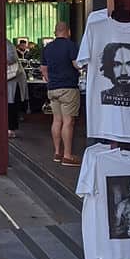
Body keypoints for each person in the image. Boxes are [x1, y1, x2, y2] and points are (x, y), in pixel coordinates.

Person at [40, 21, 81, 165]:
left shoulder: (47, 48)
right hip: (68, 87)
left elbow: (43, 69)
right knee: (68, 121)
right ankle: (67, 156)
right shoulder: (71, 45)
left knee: (56, 120)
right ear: (68, 31)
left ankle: (57, 152)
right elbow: (76, 64)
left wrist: (51, 81)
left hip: (53, 88)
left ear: (55, 32)